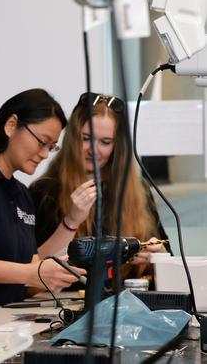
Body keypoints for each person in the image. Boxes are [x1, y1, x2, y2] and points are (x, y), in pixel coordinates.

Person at [0, 88, 87, 312]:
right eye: (42, 142)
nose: (44, 154)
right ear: (11, 125)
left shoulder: (22, 194)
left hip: (9, 322)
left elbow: (30, 278)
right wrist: (31, 273)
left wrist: (54, 273)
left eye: (51, 147)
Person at [29, 92, 168, 285]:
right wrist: (71, 221)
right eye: (86, 138)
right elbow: (32, 273)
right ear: (72, 138)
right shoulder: (44, 191)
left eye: (105, 142)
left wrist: (159, 258)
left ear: (117, 147)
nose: (93, 150)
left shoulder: (138, 192)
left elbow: (167, 258)